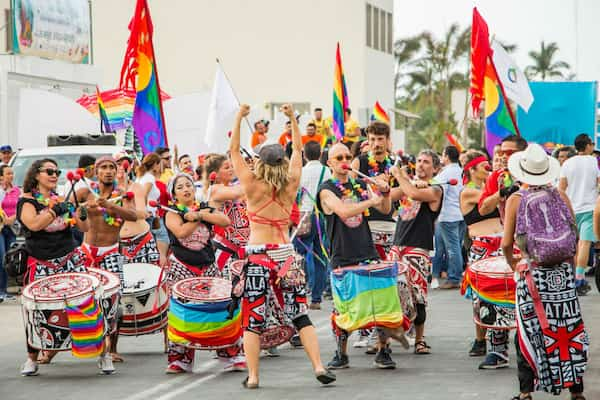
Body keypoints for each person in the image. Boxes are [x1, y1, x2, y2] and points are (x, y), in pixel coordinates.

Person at [230, 103, 335, 389]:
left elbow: (234, 151)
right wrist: (292, 120)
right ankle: (318, 365)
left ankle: (253, 376)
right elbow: (299, 152)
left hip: (258, 256)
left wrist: (239, 117)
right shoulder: (291, 182)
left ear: (261, 163)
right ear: (282, 161)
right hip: (285, 255)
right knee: (300, 313)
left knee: (253, 318)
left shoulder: (252, 184)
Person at [503, 143, 588, 400]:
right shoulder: (560, 196)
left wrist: (513, 265)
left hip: (532, 273)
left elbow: (507, 243)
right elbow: (573, 235)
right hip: (561, 273)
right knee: (567, 328)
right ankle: (576, 390)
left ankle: (526, 391)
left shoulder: (516, 200)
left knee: (529, 329)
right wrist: (570, 269)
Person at [317, 143, 398, 369]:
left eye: (347, 156)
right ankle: (341, 354)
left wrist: (385, 191)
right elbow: (342, 211)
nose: (344, 160)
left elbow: (385, 209)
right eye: (338, 157)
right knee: (343, 306)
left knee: (379, 303)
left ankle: (383, 350)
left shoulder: (360, 185)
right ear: (330, 163)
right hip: (342, 255)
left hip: (367, 251)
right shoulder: (326, 189)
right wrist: (372, 200)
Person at [163, 173, 246, 373]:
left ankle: (230, 354)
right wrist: (192, 218)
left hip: (207, 265)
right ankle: (180, 359)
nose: (186, 189)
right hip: (181, 267)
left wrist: (199, 214)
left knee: (220, 308)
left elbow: (224, 221)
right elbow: (181, 232)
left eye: (189, 185)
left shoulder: (203, 208)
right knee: (182, 312)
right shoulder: (171, 212)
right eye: (180, 187)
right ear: (174, 194)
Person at [17, 159, 91, 376]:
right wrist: (55, 210)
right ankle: (32, 359)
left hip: (69, 259)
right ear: (36, 175)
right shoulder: (27, 201)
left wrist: (81, 213)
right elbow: (33, 224)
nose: (54, 174)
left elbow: (84, 227)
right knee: (36, 312)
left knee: (87, 304)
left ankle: (102, 354)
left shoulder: (60, 198)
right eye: (49, 171)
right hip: (41, 262)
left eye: (57, 171)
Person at [77, 156, 137, 363]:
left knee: (114, 303)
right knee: (81, 300)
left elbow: (133, 215)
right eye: (104, 167)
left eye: (112, 167)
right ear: (96, 172)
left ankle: (112, 347)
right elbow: (69, 208)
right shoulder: (85, 192)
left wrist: (111, 206)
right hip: (86, 252)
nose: (109, 171)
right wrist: (83, 208)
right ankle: (80, 343)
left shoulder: (123, 194)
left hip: (111, 253)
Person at [459, 151, 512, 369]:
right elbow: (485, 201)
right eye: (483, 165)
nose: (488, 167)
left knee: (502, 297)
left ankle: (498, 347)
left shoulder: (497, 187)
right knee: (481, 299)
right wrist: (499, 190)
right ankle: (482, 340)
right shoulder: (468, 192)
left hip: (501, 246)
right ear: (471, 170)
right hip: (481, 249)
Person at [389, 149, 443, 355]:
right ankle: (388, 335)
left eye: (426, 162)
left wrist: (400, 177)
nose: (421, 164)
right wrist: (387, 184)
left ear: (435, 168)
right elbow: (391, 195)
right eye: (419, 160)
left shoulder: (436, 189)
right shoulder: (409, 184)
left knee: (419, 296)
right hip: (398, 245)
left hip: (418, 248)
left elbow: (412, 194)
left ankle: (420, 339)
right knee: (392, 294)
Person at [559, 133, 599, 296]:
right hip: (589, 208)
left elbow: (561, 187)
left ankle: (571, 276)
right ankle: (579, 278)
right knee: (584, 243)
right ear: (587, 146)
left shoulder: (567, 163)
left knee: (573, 246)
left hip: (570, 209)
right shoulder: (592, 161)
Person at [295, 141, 331, 310]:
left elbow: (296, 196)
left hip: (304, 217)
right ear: (320, 154)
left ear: (305, 155)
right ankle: (316, 298)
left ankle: (299, 293)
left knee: (298, 256)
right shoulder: (327, 171)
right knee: (320, 257)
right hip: (321, 217)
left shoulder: (301, 172)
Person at [432, 146, 465, 289]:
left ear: (446, 156)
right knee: (456, 246)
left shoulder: (446, 173)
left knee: (453, 248)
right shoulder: (461, 171)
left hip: (449, 215)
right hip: (461, 213)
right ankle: (453, 275)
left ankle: (454, 278)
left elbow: (432, 184)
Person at [137, 153, 169, 266]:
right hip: (149, 215)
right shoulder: (149, 177)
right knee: (163, 238)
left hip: (150, 215)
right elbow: (143, 194)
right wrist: (144, 209)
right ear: (155, 164)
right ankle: (161, 264)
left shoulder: (141, 177)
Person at [0, 165, 20, 301]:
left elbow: (21, 207)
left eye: (12, 173)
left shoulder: (17, 191)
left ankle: (4, 290)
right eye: (8, 174)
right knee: (1, 257)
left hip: (12, 227)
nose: (11, 176)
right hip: (0, 227)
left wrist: (11, 219)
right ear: (1, 176)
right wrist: (4, 219)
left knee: (8, 259)